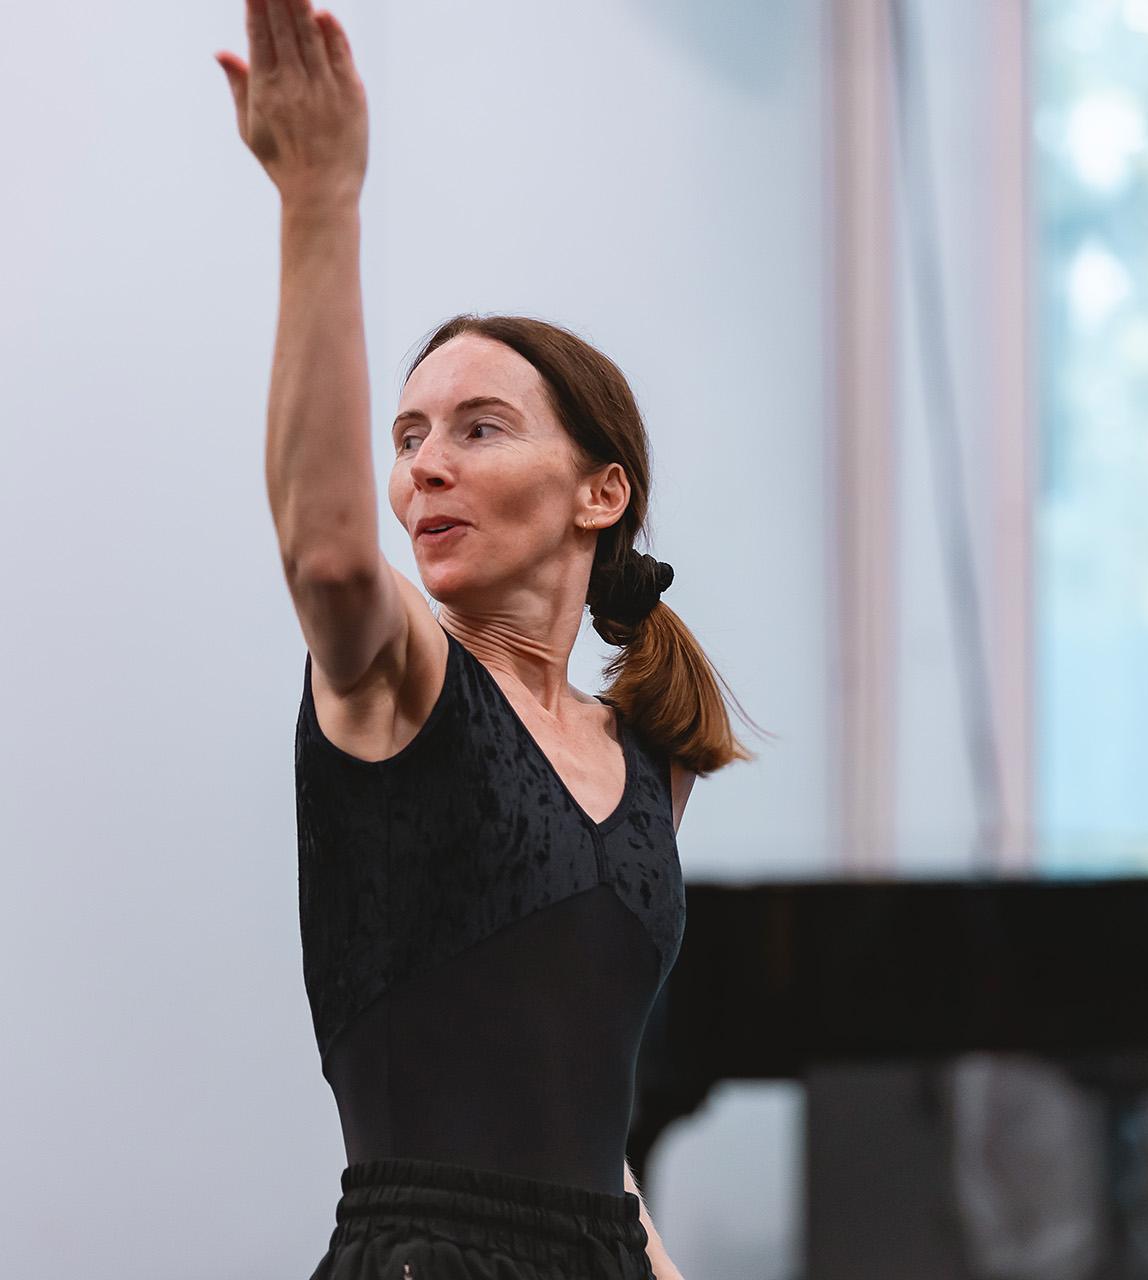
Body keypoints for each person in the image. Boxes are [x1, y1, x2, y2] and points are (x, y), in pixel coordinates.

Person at [218, 4, 749, 1276]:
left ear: (599, 492)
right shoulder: (404, 680)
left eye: (478, 428)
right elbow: (334, 554)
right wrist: (320, 199)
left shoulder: (647, 765)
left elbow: (587, 1129)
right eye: (408, 439)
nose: (425, 471)